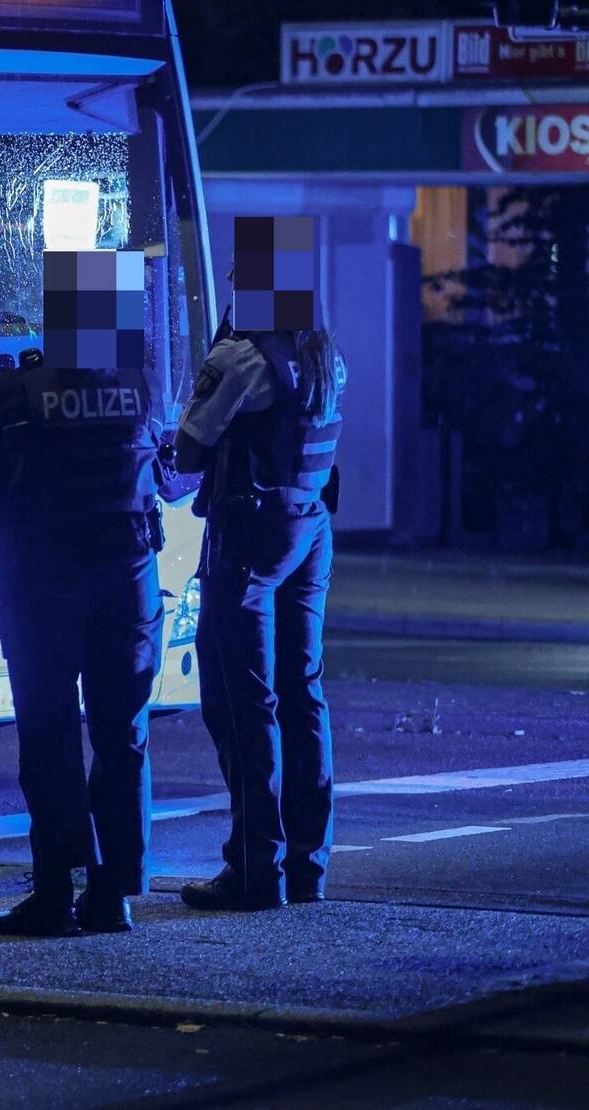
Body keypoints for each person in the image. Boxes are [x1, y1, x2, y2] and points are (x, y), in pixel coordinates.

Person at [0, 346, 166, 936]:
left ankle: (54, 893)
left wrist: (7, 378)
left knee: (49, 736)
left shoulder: (21, 388)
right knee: (122, 734)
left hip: (45, 582)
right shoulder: (140, 381)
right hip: (127, 582)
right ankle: (112, 896)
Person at [173, 315, 345, 911]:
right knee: (303, 693)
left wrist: (215, 354)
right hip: (311, 526)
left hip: (251, 532)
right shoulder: (320, 349)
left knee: (240, 699)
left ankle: (253, 869)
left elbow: (187, 449)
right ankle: (307, 868)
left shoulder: (243, 358)